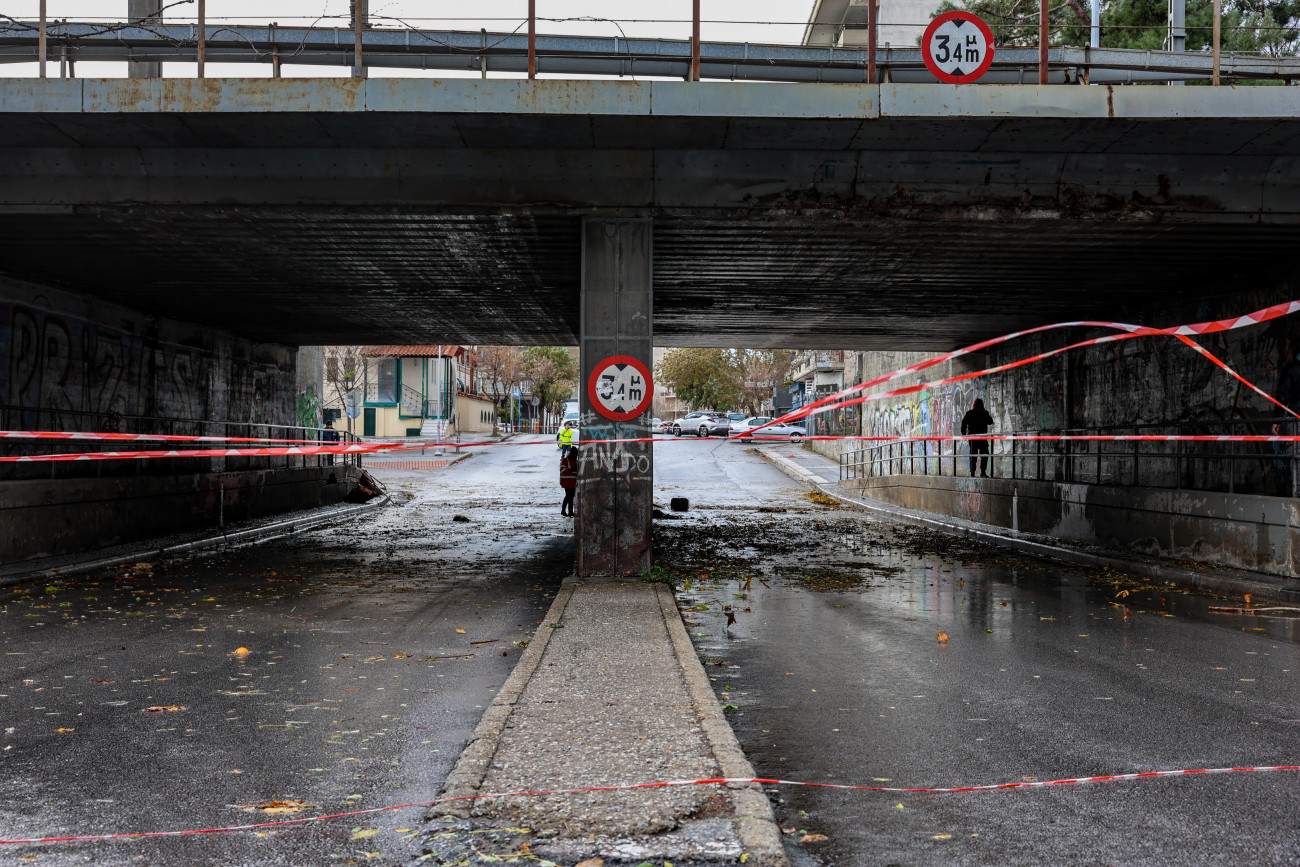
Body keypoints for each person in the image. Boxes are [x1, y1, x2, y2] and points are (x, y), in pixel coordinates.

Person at [961, 398, 994, 478]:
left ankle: (978, 472)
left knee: (980, 455)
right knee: (977, 455)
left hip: (978, 439)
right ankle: (977, 472)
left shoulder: (974, 413)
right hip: (975, 439)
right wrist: (964, 434)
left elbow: (990, 421)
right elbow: (964, 423)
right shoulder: (972, 413)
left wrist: (964, 434)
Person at [559, 448, 577, 517]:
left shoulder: (575, 461)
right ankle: (565, 511)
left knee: (570, 497)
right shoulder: (565, 461)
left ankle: (568, 512)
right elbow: (563, 470)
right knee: (569, 496)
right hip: (567, 482)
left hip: (571, 482)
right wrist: (572, 470)